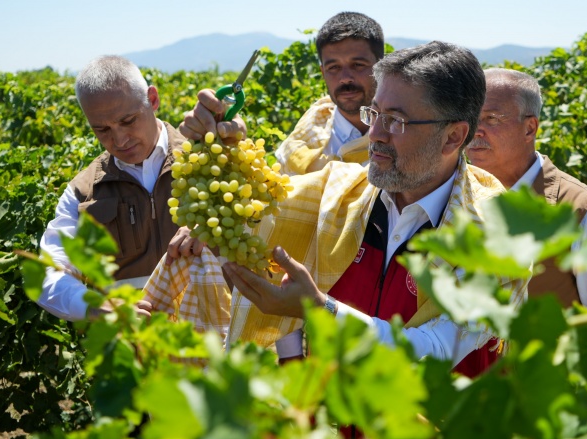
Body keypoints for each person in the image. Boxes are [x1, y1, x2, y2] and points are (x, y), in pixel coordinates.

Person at [154, 41, 527, 379]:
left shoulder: (495, 234)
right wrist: (222, 143)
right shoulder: (341, 196)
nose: (375, 134)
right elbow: (258, 204)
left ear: (453, 136)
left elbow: (435, 351)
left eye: (395, 121)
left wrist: (319, 310)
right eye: (374, 114)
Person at [37, 55, 184, 321]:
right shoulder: (83, 192)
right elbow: (48, 274)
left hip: (218, 349)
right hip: (134, 353)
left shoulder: (207, 163)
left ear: (152, 100)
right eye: (102, 129)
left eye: (128, 121)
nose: (119, 139)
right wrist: (95, 307)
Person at [465, 68, 587, 310]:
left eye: (491, 118)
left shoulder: (583, 211)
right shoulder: (457, 193)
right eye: (472, 117)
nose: (476, 130)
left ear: (530, 128)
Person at [178, 12, 383, 175]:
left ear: (381, 66)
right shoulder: (304, 139)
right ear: (322, 72)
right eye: (334, 68)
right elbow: (270, 204)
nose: (345, 78)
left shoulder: (404, 134)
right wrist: (230, 146)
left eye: (357, 65)